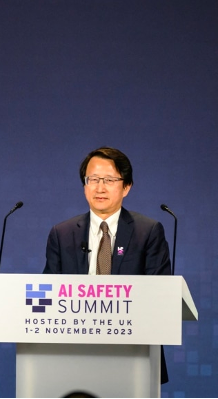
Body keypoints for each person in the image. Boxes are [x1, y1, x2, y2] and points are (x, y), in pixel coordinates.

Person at [43, 146, 172, 382]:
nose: (100, 188)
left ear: (126, 187)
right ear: (84, 185)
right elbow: (49, 294)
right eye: (93, 179)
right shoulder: (62, 233)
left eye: (110, 180)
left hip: (133, 352)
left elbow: (160, 294)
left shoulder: (148, 232)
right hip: (73, 351)